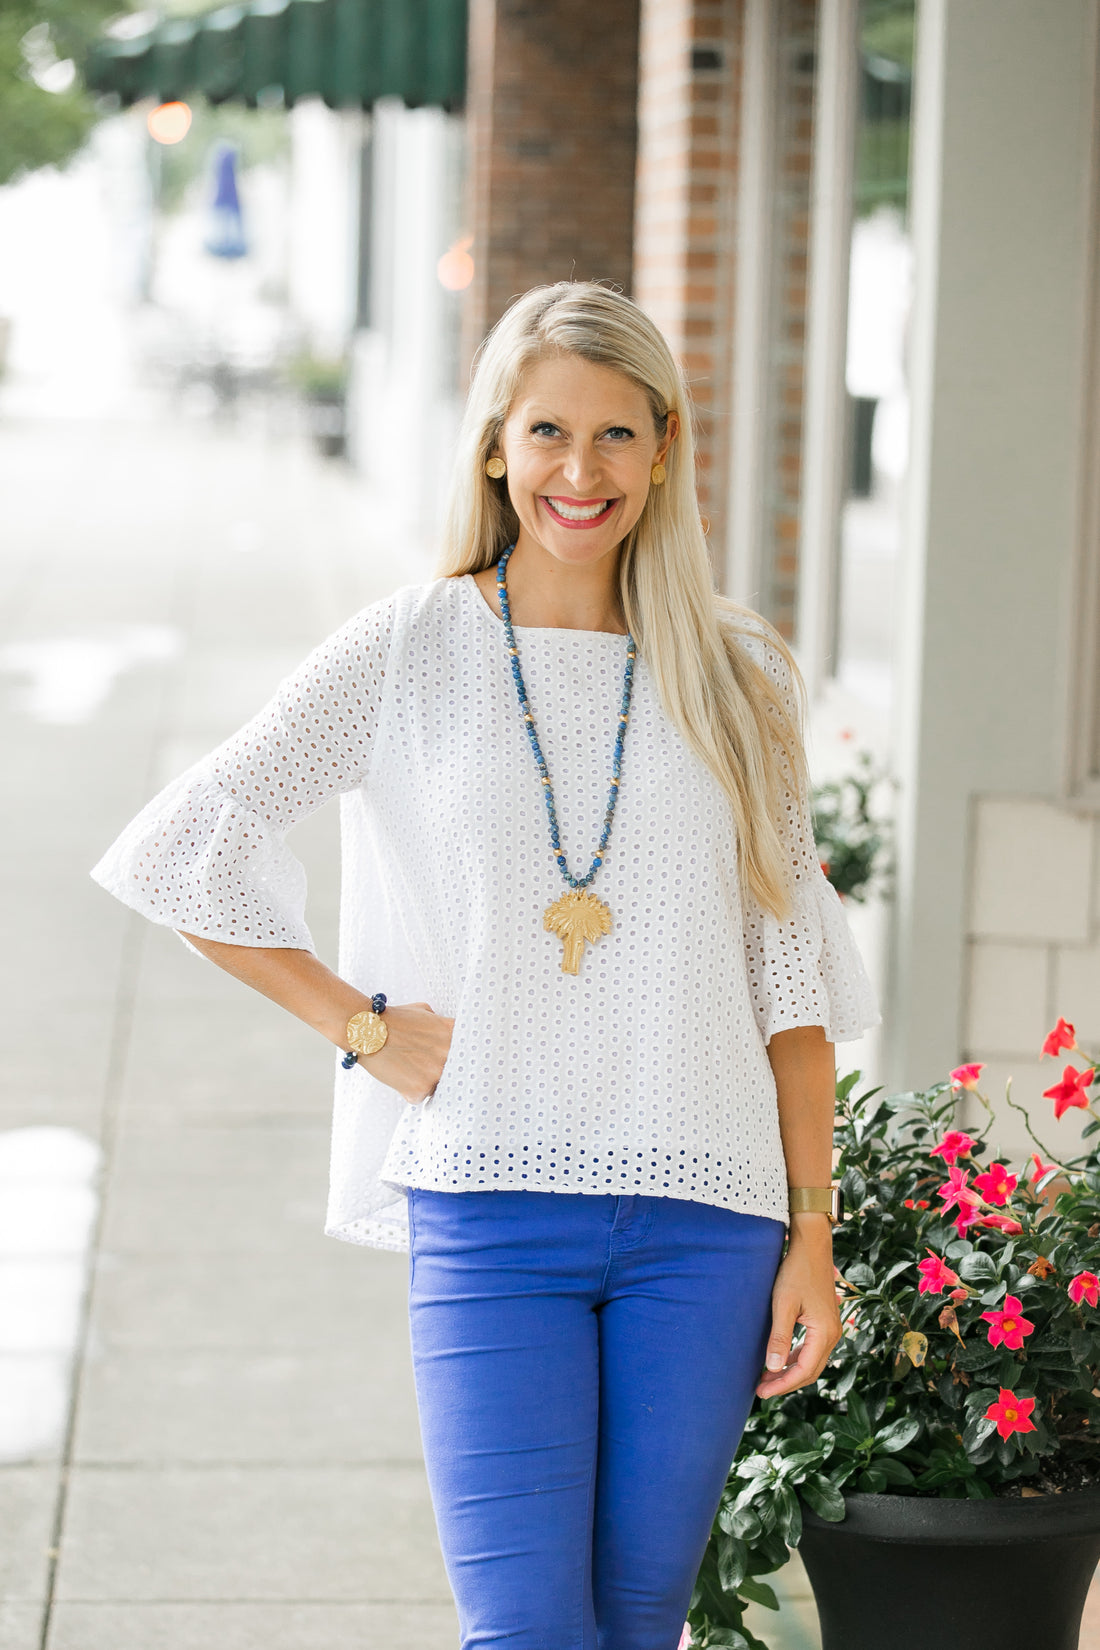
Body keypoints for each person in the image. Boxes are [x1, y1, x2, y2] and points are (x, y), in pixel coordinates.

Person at [91, 281, 879, 1650]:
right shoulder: (411, 651)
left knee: (636, 1626)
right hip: (492, 1206)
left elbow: (789, 982)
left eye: (618, 435)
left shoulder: (740, 674)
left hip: (707, 1217)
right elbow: (183, 850)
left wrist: (813, 1233)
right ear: (496, 447)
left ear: (666, 449)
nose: (583, 471)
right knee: (527, 1630)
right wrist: (358, 1020)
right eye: (550, 432)